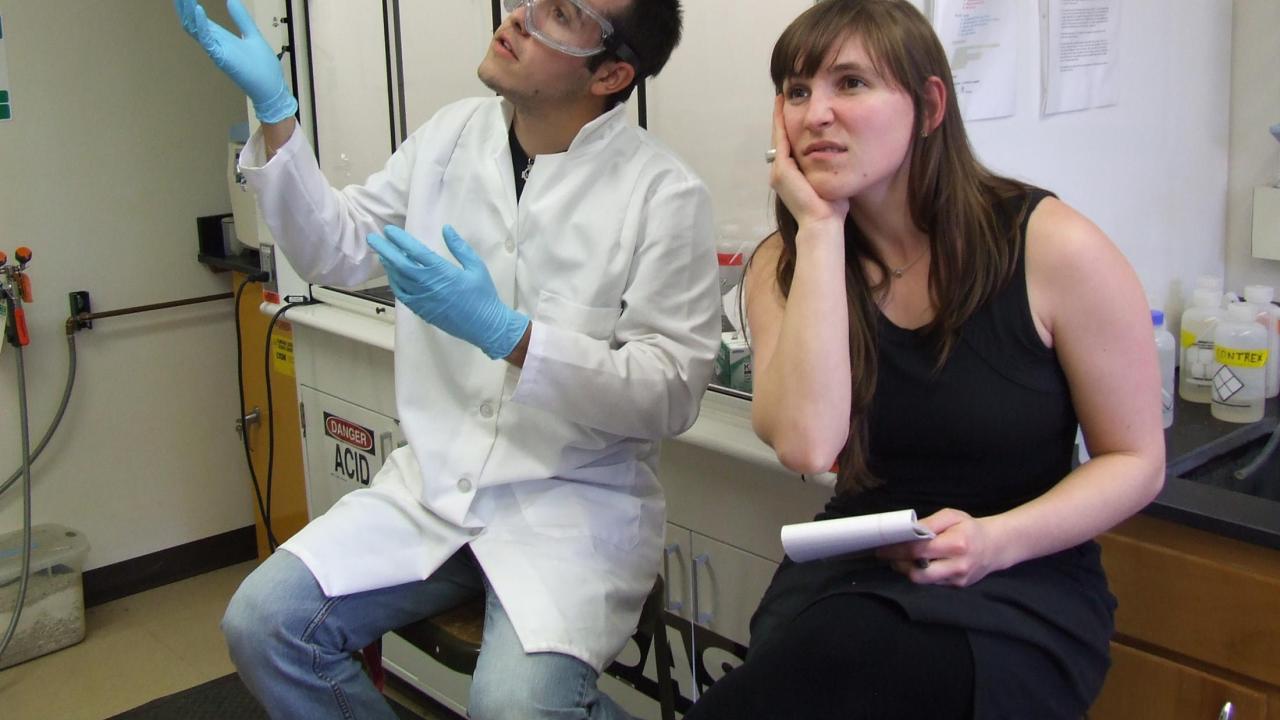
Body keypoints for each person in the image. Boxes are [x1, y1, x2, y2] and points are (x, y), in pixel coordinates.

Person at [175, 1, 720, 718]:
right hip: (431, 491)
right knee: (264, 625)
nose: (521, 16)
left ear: (612, 72)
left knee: (514, 710)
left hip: (570, 508)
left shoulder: (664, 195)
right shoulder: (449, 138)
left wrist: (510, 335)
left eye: (561, 13)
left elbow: (670, 392)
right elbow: (333, 248)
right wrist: (276, 111)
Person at [683, 1, 1165, 718]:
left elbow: (1136, 461)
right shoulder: (787, 263)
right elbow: (807, 443)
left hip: (1019, 581)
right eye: (796, 89)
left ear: (930, 105)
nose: (816, 113)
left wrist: (995, 541)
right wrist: (819, 230)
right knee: (825, 663)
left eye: (850, 84)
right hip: (858, 571)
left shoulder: (1052, 247)